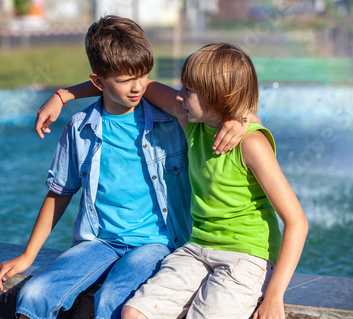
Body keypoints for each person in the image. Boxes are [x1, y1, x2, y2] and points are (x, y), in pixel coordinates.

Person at [0, 17, 249, 319]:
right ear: (98, 82)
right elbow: (59, 193)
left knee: (111, 299)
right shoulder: (79, 129)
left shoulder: (173, 118)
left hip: (156, 243)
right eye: (125, 80)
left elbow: (223, 107)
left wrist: (241, 120)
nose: (138, 87)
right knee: (33, 295)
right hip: (100, 242)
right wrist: (28, 256)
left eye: (143, 75)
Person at [118, 43, 309, 319]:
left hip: (247, 256)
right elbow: (142, 85)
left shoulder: (251, 143)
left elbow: (297, 222)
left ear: (217, 97)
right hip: (197, 250)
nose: (179, 97)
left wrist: (274, 295)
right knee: (134, 313)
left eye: (188, 90)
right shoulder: (192, 122)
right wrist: (65, 96)